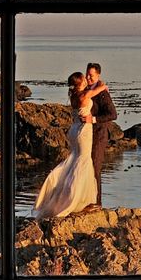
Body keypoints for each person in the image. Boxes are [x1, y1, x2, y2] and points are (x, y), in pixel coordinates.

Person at [32, 72, 109, 219]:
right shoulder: (84, 96)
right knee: (83, 162)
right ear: (80, 83)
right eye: (84, 79)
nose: (87, 80)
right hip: (83, 131)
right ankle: (77, 200)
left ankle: (76, 198)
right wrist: (102, 84)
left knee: (75, 161)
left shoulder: (74, 96)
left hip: (74, 130)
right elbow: (101, 88)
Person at [82, 63, 117, 205]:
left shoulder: (102, 93)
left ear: (98, 76)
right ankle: (87, 199)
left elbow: (113, 114)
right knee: (87, 166)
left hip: (100, 133)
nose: (88, 77)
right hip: (88, 133)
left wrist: (93, 119)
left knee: (95, 166)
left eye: (92, 75)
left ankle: (97, 203)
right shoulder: (88, 89)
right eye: (87, 74)